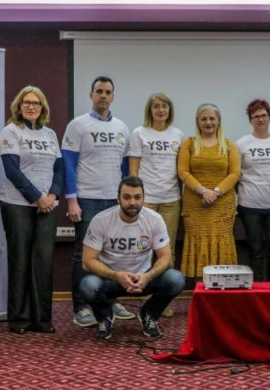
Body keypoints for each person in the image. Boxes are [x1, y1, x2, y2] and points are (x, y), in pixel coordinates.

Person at [63, 76, 133, 328]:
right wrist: (72, 200)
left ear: (113, 97)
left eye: (108, 92)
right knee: (84, 254)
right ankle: (81, 307)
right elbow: (68, 164)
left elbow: (125, 168)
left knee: (112, 254)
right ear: (91, 95)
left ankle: (110, 300)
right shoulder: (77, 125)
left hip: (114, 201)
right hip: (87, 199)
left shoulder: (122, 128)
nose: (103, 95)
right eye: (99, 91)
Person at [80, 176, 185, 340]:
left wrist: (148, 276)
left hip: (143, 278)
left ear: (143, 198)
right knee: (88, 284)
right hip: (111, 279)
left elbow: (166, 257)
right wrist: (117, 276)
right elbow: (87, 262)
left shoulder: (154, 219)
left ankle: (148, 313)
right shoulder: (101, 220)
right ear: (118, 198)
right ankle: (105, 316)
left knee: (176, 279)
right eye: (127, 197)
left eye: (137, 197)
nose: (132, 203)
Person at [0, 86, 63, 334]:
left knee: (43, 262)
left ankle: (42, 320)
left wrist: (52, 195)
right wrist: (38, 197)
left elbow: (59, 169)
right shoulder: (11, 131)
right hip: (17, 204)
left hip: (47, 205)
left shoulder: (50, 134)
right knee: (20, 260)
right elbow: (11, 170)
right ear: (19, 105)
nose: (31, 106)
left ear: (42, 107)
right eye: (26, 102)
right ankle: (19, 319)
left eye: (36, 103)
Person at [128, 93, 184, 317]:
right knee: (143, 249)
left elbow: (181, 170)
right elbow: (133, 170)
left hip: (171, 200)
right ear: (150, 110)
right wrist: (136, 198)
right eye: (156, 106)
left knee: (167, 252)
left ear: (170, 110)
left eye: (165, 106)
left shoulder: (178, 135)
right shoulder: (139, 133)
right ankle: (143, 296)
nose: (161, 110)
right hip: (147, 200)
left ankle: (163, 301)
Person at [177, 103, 240, 278]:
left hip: (222, 205)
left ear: (219, 120)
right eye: (204, 119)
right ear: (197, 121)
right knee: (197, 240)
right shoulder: (189, 144)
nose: (208, 122)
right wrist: (203, 191)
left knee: (221, 240)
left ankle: (223, 285)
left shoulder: (229, 145)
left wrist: (216, 192)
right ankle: (197, 285)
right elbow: (183, 171)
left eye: (212, 118)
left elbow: (235, 173)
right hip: (195, 204)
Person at [236, 99, 270, 281]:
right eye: (256, 116)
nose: (260, 119)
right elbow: (235, 175)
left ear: (269, 117)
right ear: (250, 120)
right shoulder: (242, 143)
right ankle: (256, 289)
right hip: (249, 205)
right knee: (255, 251)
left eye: (264, 115)